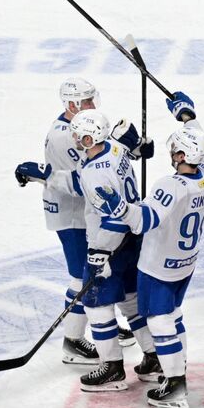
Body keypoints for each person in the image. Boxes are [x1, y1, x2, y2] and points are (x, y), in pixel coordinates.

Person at [94, 126, 204, 408]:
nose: (172, 154)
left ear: (183, 154)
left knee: (160, 322)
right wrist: (188, 119)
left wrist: (120, 207)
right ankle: (177, 367)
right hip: (185, 263)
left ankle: (175, 384)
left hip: (158, 265)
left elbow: (143, 221)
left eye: (176, 150)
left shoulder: (170, 185)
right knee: (173, 317)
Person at [69, 109, 159, 391]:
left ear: (89, 137)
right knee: (131, 301)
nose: (74, 139)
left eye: (78, 135)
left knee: (96, 306)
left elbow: (113, 219)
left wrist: (102, 253)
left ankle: (112, 368)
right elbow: (139, 149)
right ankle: (155, 358)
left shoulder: (95, 174)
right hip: (135, 241)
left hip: (111, 245)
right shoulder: (115, 148)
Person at [14, 77, 100, 365]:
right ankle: (73, 341)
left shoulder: (77, 125)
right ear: (72, 105)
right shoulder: (64, 137)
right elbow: (82, 182)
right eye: (86, 102)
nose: (92, 105)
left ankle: (99, 321)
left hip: (82, 211)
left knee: (97, 273)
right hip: (72, 215)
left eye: (91, 99)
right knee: (81, 277)